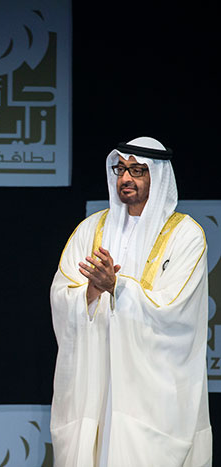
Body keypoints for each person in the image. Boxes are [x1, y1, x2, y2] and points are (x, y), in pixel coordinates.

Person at [50, 137, 212, 466]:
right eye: (121, 169)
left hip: (151, 392)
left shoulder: (186, 236)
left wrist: (117, 286)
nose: (126, 178)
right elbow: (61, 292)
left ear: (159, 176)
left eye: (138, 170)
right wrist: (93, 292)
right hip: (95, 378)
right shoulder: (90, 229)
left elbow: (176, 309)